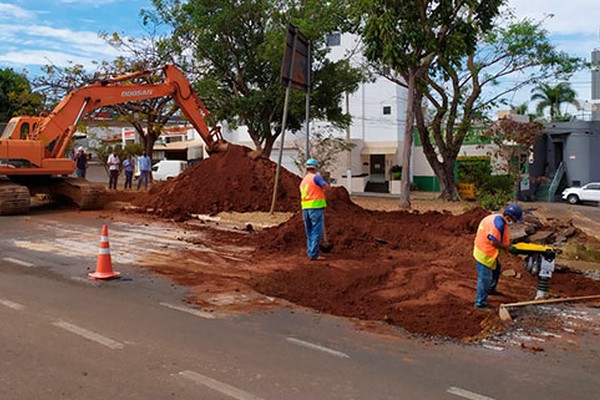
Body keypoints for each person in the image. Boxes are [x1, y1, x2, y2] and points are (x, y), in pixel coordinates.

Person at [473, 203, 523, 309]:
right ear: (509, 217)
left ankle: (491, 289)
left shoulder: (499, 219)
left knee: (496, 269)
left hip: (487, 249)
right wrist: (508, 248)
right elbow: (494, 242)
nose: (514, 223)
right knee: (485, 278)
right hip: (484, 252)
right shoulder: (498, 224)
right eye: (514, 220)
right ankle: (480, 304)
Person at [299, 158, 328, 261]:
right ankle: (313, 254)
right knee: (316, 231)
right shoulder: (316, 178)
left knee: (309, 232)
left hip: (305, 209)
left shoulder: (304, 180)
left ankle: (310, 252)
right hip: (315, 208)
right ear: (315, 168)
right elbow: (325, 186)